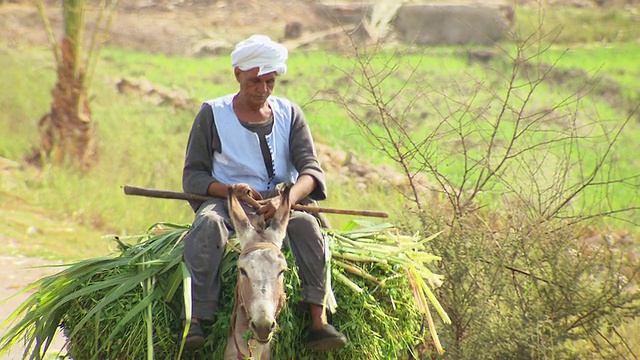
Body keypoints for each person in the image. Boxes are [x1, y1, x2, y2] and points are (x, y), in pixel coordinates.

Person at [180, 34, 347, 352]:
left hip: (281, 205)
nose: (263, 90)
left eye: (270, 82)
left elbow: (310, 171)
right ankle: (197, 320)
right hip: (228, 204)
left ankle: (317, 318)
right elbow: (194, 176)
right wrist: (230, 190)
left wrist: (287, 199)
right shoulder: (212, 114)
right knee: (207, 226)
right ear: (238, 75)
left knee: (309, 227)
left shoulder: (290, 114)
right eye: (256, 81)